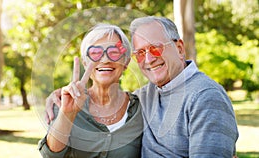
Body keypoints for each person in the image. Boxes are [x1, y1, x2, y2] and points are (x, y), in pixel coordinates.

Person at [44, 16, 239, 157]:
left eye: (155, 48)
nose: (149, 59)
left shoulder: (205, 96)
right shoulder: (147, 96)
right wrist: (61, 97)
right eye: (141, 52)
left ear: (179, 49)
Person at [38, 24, 143, 158]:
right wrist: (67, 113)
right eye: (95, 53)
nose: (105, 60)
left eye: (114, 52)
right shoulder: (65, 102)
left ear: (126, 62)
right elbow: (51, 155)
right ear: (85, 63)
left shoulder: (139, 109)